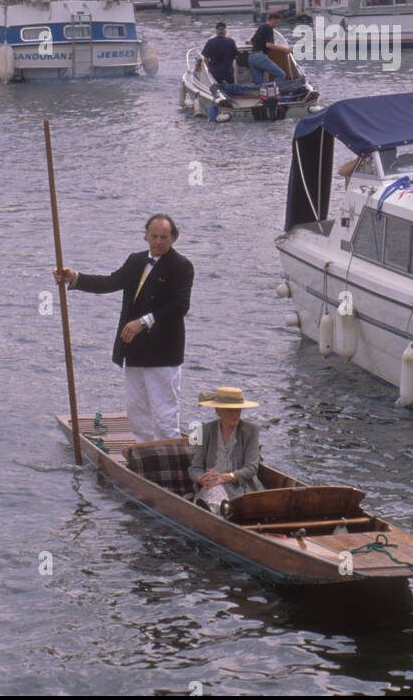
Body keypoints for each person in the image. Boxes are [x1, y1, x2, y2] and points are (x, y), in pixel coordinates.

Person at [53, 214, 194, 443]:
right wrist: (75, 278)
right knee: (137, 413)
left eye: (164, 237)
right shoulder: (135, 260)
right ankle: (145, 461)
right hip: (134, 350)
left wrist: (143, 322)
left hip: (163, 354)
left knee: (164, 416)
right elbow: (110, 282)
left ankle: (171, 467)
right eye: (154, 236)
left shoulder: (182, 267)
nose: (159, 241)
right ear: (146, 236)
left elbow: (179, 306)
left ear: (174, 238)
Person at [188, 386, 264, 511]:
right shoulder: (204, 430)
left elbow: (251, 468)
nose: (235, 414)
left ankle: (217, 513)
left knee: (215, 491)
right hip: (211, 486)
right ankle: (217, 514)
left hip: (242, 490)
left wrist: (223, 477)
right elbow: (195, 468)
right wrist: (202, 479)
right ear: (218, 411)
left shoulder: (251, 430)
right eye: (230, 410)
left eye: (238, 410)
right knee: (214, 490)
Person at [249, 11, 287, 87]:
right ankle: (269, 91)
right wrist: (284, 49)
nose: (276, 25)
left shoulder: (261, 27)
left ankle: (261, 94)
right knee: (281, 75)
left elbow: (251, 42)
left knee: (258, 85)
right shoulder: (269, 28)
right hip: (260, 57)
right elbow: (269, 45)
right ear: (272, 19)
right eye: (276, 22)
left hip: (251, 57)